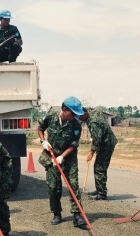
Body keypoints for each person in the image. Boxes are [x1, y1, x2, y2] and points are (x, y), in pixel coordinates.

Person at [37, 96, 86, 227]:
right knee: (54, 187)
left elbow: (73, 145)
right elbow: (40, 128)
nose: (76, 116)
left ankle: (77, 215)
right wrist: (43, 141)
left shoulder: (76, 125)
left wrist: (62, 157)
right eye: (74, 113)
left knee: (73, 185)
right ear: (65, 109)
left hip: (68, 157)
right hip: (51, 157)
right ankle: (56, 213)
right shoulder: (51, 117)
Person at [79, 107, 118, 201]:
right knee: (98, 166)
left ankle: (102, 193)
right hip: (107, 142)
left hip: (106, 144)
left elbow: (97, 139)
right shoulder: (94, 113)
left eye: (80, 116)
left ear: (85, 113)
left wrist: (91, 153)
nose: (79, 119)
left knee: (99, 168)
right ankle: (99, 189)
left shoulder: (93, 123)